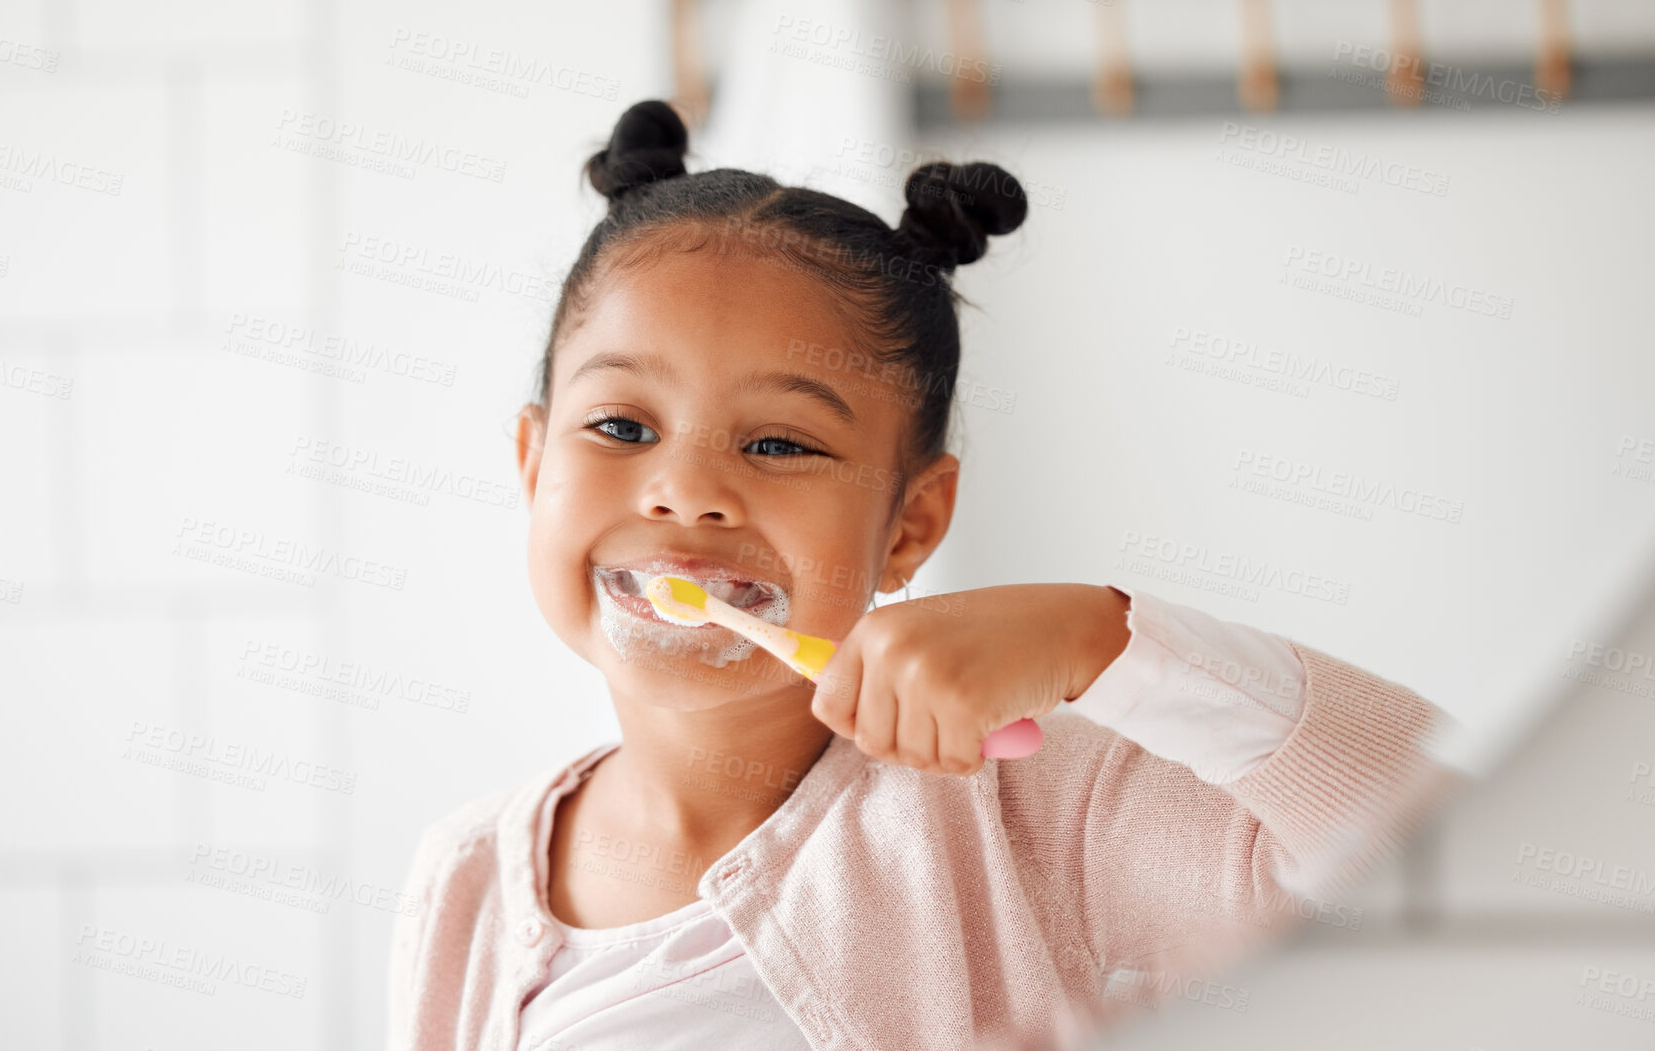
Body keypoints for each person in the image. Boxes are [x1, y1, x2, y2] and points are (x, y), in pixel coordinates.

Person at [385, 100, 1458, 1051]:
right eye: (621, 425)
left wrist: (1106, 640)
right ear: (534, 464)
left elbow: (1463, 859)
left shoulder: (1031, 816)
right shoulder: (466, 876)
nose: (683, 490)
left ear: (912, 522)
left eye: (779, 444)